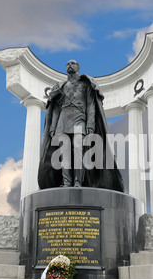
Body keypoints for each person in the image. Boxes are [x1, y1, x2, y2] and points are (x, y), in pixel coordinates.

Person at [38, 60, 124, 192]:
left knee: (78, 151)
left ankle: (78, 181)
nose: (70, 65)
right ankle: (67, 182)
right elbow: (55, 109)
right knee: (64, 153)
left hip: (79, 120)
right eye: (67, 64)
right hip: (62, 121)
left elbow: (91, 105)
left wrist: (90, 124)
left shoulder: (85, 85)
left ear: (78, 68)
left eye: (73, 64)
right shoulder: (60, 87)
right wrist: (52, 127)